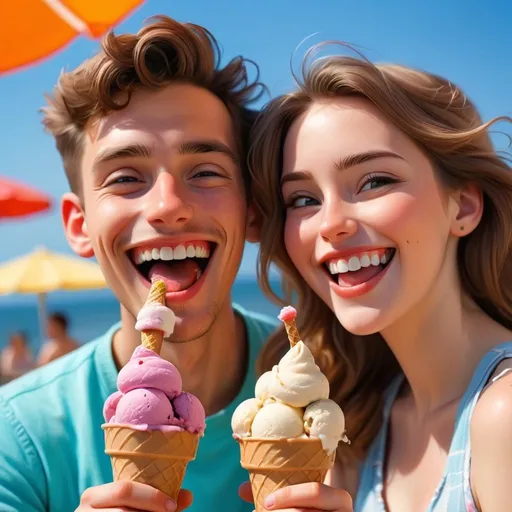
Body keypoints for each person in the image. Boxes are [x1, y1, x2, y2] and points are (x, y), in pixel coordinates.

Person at [0, 15, 276, 512]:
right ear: (79, 225)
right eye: (126, 177)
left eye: (207, 171)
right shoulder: (17, 438)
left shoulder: (347, 388)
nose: (168, 205)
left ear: (252, 210)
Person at [244, 48, 512, 511]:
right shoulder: (357, 427)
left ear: (464, 206)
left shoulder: (503, 416)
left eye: (374, 182)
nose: (330, 223)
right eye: (302, 199)